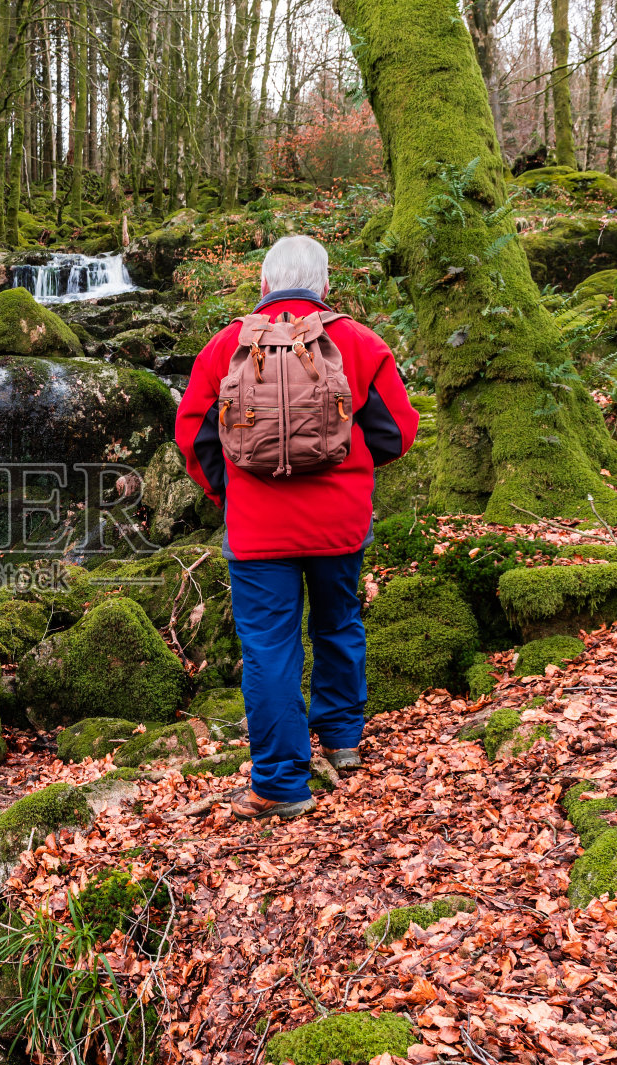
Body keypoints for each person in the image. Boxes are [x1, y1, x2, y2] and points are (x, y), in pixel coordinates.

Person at [174, 234, 419, 821]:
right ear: (325, 285)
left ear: (263, 284)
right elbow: (397, 432)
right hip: (339, 524)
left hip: (258, 531)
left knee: (269, 650)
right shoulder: (359, 342)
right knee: (339, 624)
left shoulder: (225, 346)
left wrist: (229, 494)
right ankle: (342, 740)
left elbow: (193, 437)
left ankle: (282, 785)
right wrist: (352, 473)